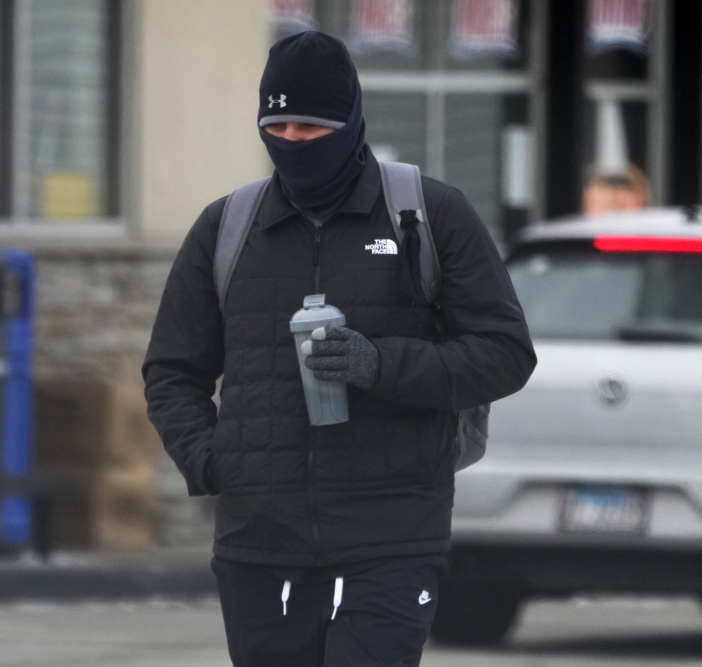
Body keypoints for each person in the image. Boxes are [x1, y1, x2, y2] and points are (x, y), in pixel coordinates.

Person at [143, 30, 536, 667]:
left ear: (351, 122)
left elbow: (504, 352)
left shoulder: (427, 216)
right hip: (260, 543)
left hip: (392, 536)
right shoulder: (227, 227)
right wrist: (211, 460)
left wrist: (379, 364)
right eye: (279, 126)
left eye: (312, 128)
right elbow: (171, 370)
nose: (293, 142)